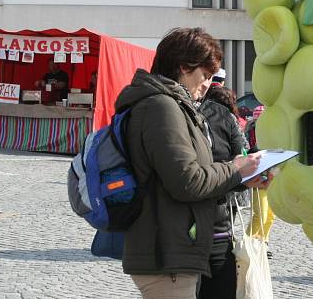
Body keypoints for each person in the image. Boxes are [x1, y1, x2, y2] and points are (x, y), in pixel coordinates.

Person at [114, 27, 267, 299]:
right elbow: (187, 181)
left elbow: (190, 174)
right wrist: (235, 168)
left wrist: (241, 178)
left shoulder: (172, 105)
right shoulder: (161, 107)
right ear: (183, 66)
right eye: (205, 75)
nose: (208, 84)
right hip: (166, 253)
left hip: (175, 249)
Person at [198, 84, 252, 299]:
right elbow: (243, 160)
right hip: (205, 230)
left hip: (212, 229)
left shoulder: (222, 116)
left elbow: (244, 163)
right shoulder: (224, 116)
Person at [245, 105, 276, 258]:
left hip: (271, 176)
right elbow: (253, 153)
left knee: (270, 215)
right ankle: (246, 243)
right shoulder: (253, 133)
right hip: (259, 177)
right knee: (261, 215)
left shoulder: (270, 131)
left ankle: (263, 242)